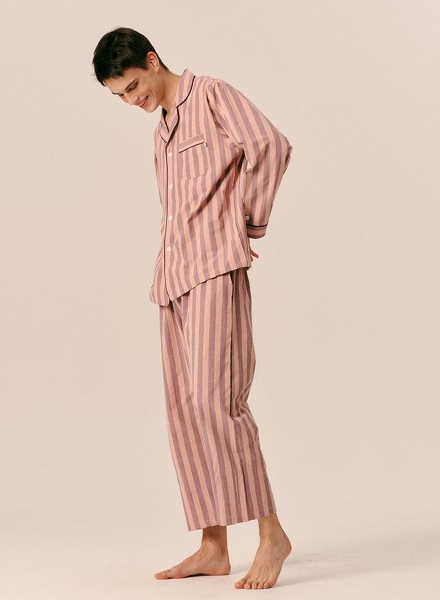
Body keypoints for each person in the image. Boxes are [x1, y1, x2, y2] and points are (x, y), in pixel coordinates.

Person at [92, 27, 293, 590]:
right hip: (173, 277)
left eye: (134, 86)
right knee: (186, 411)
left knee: (217, 402)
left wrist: (247, 222)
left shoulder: (212, 95)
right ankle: (213, 545)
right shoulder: (161, 131)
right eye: (120, 96)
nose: (132, 100)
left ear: (152, 60)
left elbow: (271, 145)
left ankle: (272, 534)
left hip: (214, 270)